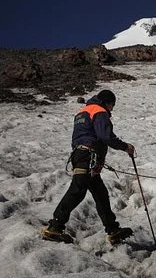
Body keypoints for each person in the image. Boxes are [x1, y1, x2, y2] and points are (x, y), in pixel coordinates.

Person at [42, 90, 135, 244]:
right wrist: (125, 147)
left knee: (101, 194)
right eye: (112, 105)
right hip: (88, 156)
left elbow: (81, 136)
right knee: (77, 191)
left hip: (81, 155)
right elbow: (105, 136)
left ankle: (112, 229)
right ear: (107, 102)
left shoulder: (82, 112)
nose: (112, 109)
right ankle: (55, 227)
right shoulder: (99, 111)